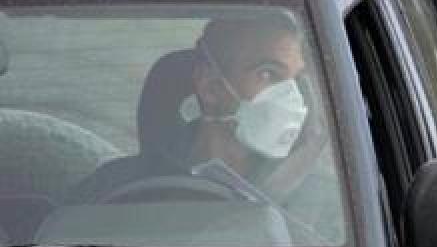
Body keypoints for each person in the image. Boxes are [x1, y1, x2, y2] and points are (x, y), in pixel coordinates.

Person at [69, 13, 315, 208]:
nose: (292, 97)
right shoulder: (112, 189)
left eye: (297, 80)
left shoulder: (325, 208)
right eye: (268, 74)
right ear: (210, 86)